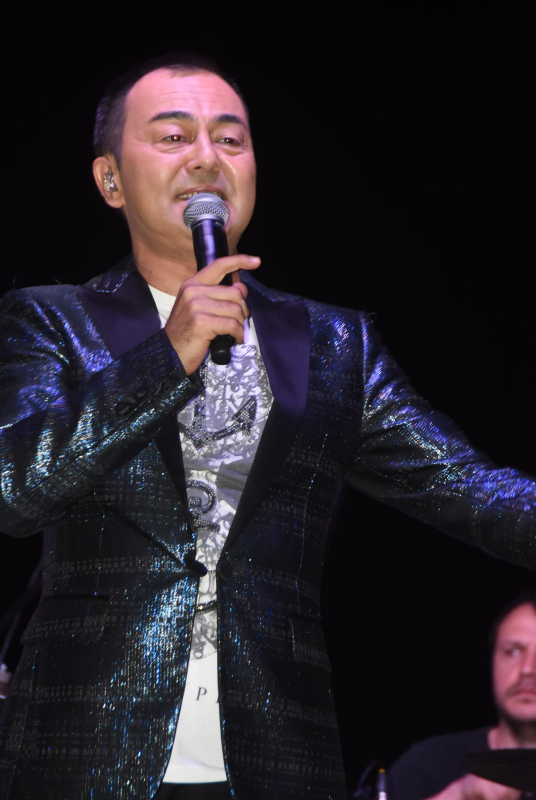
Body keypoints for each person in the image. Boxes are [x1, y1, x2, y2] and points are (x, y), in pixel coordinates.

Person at [0, 53, 534, 800]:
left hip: (275, 756)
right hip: (83, 750)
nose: (206, 159)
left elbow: (466, 486)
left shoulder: (332, 345)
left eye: (230, 138)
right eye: (173, 136)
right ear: (110, 179)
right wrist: (167, 356)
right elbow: (14, 488)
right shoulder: (51, 321)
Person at [387, 590, 536, 800]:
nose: (527, 669)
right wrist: (458, 795)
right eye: (513, 651)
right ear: (492, 663)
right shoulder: (428, 764)